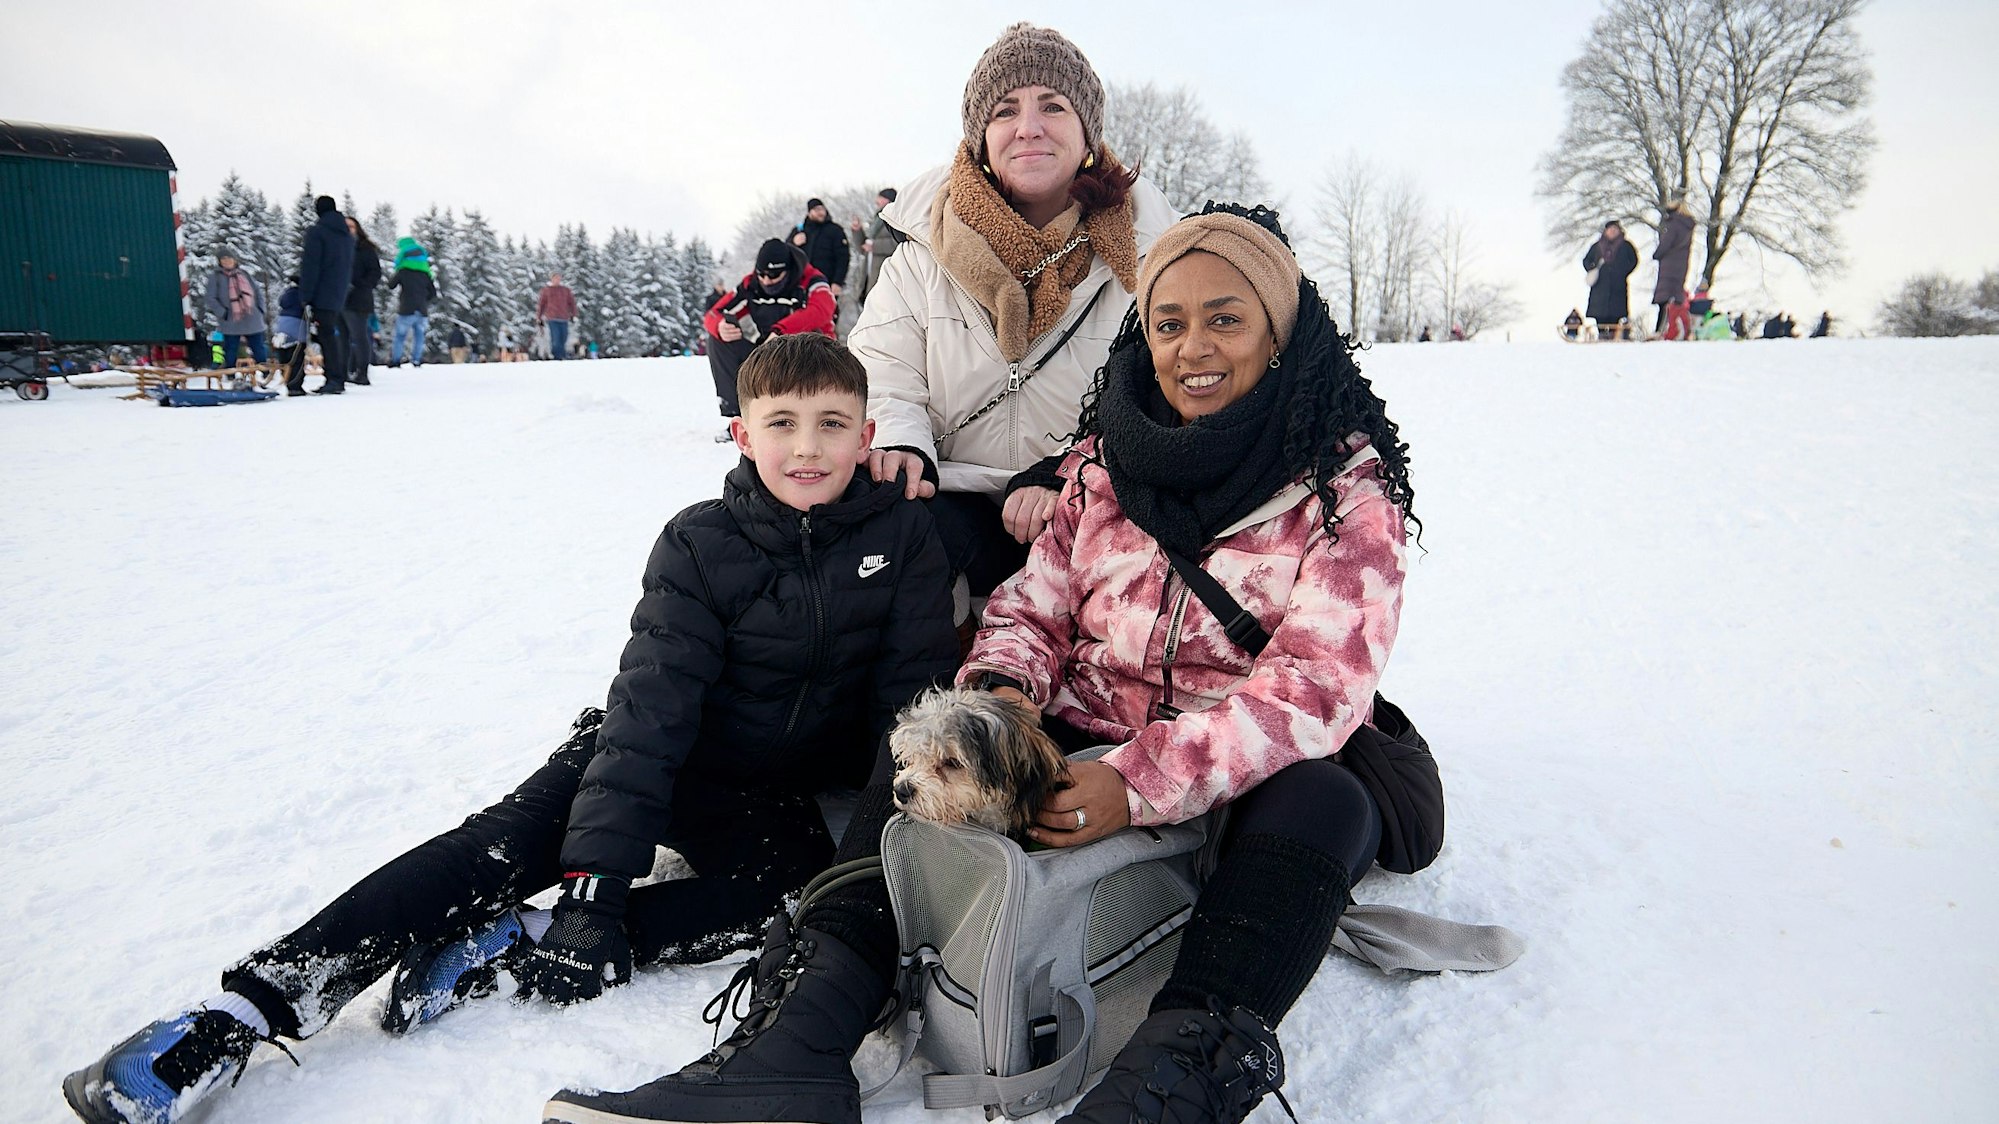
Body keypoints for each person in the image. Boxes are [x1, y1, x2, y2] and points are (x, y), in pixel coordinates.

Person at [542, 202, 1428, 1124]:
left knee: (1328, 802)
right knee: (935, 732)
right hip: (1083, 723)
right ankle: (800, 1037)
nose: (1191, 346)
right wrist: (1000, 692)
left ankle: (1170, 1083)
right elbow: (1033, 604)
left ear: (1279, 332)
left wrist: (1132, 783)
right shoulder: (1106, 461)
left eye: (1225, 318)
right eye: (1168, 322)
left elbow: (1316, 689)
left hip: (1237, 762)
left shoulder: (1342, 494)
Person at [60, 333, 959, 1124]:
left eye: (833, 423)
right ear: (741, 433)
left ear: (867, 434)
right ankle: (238, 1015)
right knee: (491, 851)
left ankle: (507, 945)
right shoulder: (698, 542)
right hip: (651, 752)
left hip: (764, 790)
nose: (807, 446)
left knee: (793, 891)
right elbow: (651, 711)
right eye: (783, 422)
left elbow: (903, 713)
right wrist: (597, 882)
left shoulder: (907, 538)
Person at [850, 21, 1175, 618]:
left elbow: (1164, 404)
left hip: (1094, 510)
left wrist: (1071, 474)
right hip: (946, 497)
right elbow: (881, 373)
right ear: (981, 139)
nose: (1029, 127)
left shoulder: (1152, 259)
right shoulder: (920, 254)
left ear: (1087, 137)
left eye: (1052, 105)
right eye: (1005, 110)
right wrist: (901, 444)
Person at [702, 238, 837, 433]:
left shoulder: (812, 280)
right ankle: (742, 418)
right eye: (762, 274)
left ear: (788, 270)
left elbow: (822, 309)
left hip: (811, 355)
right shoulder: (752, 284)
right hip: (768, 351)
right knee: (717, 340)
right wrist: (719, 325)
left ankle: (797, 418)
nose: (766, 280)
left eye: (773, 275)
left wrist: (780, 331)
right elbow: (714, 312)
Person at [294, 195, 354, 395]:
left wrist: (306, 294)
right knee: (330, 335)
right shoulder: (346, 235)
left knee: (326, 336)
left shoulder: (317, 233)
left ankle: (335, 379)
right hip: (338, 292)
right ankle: (337, 376)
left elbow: (312, 265)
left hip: (321, 292)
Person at [202, 249, 268, 369]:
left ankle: (264, 372)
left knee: (258, 348)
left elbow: (257, 292)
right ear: (219, 262)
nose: (227, 261)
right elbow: (210, 298)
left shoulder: (244, 274)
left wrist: (260, 309)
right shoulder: (216, 277)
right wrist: (223, 313)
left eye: (229, 258)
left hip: (252, 317)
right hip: (231, 319)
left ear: (235, 260)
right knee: (231, 349)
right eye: (224, 259)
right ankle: (231, 374)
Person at [1583, 219, 1638, 341]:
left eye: (1615, 229)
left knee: (1616, 312)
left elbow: (1634, 260)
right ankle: (1601, 334)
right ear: (1605, 231)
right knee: (1599, 313)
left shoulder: (1626, 245)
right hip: (1600, 286)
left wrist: (1624, 272)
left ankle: (1614, 334)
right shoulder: (1597, 246)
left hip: (1617, 286)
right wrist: (1592, 268)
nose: (1612, 232)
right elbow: (1586, 260)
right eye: (1610, 229)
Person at [344, 217, 382, 386]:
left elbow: (375, 273)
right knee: (341, 337)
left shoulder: (366, 249)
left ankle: (362, 372)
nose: (349, 230)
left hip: (359, 298)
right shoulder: (339, 247)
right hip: (340, 298)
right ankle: (343, 370)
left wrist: (361, 285)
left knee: (359, 336)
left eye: (351, 226)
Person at [797, 197, 851, 314]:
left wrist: (838, 281)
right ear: (809, 212)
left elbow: (843, 258)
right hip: (802, 285)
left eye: (822, 209)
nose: (821, 212)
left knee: (827, 317)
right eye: (816, 210)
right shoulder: (800, 231)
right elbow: (787, 252)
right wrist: (793, 242)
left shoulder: (835, 230)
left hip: (827, 282)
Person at [388, 238, 436, 368]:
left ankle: (396, 360)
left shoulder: (403, 271)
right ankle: (416, 359)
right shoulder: (425, 274)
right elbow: (433, 293)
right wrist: (423, 300)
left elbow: (391, 285)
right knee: (419, 336)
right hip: (422, 309)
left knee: (400, 336)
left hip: (406, 308)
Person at [1652, 199, 1696, 332]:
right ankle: (1678, 327)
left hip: (1669, 266)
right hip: (1681, 266)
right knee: (1677, 298)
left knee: (1664, 299)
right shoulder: (1687, 226)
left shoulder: (1673, 224)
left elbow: (1666, 243)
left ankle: (1660, 329)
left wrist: (1657, 254)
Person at [862, 186, 899, 294]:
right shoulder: (877, 219)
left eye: (879, 197)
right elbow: (863, 247)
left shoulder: (894, 218)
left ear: (887, 199)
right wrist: (857, 231)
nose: (876, 201)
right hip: (871, 270)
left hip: (885, 271)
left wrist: (875, 246)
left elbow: (897, 242)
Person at [538, 272, 578, 361]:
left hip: (564, 317)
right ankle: (557, 356)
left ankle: (562, 354)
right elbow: (542, 304)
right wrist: (539, 317)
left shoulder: (565, 290)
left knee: (564, 337)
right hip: (552, 317)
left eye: (559, 278)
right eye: (555, 278)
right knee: (555, 338)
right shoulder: (546, 290)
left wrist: (574, 314)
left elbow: (572, 303)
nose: (557, 280)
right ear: (551, 279)